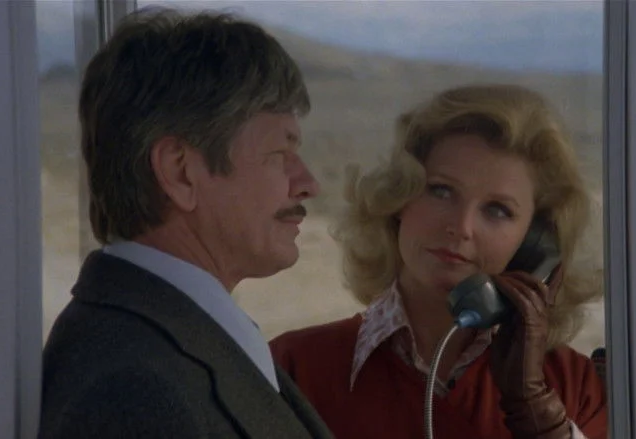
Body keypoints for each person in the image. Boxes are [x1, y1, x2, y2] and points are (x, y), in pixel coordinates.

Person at [39, 8, 333, 439]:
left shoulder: (160, 344)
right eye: (279, 154)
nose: (308, 184)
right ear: (180, 173)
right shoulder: (134, 394)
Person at [270, 84, 607, 439]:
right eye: (441, 191)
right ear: (399, 197)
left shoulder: (573, 388)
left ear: (535, 243)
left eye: (497, 210)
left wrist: (537, 414)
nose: (461, 227)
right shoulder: (293, 367)